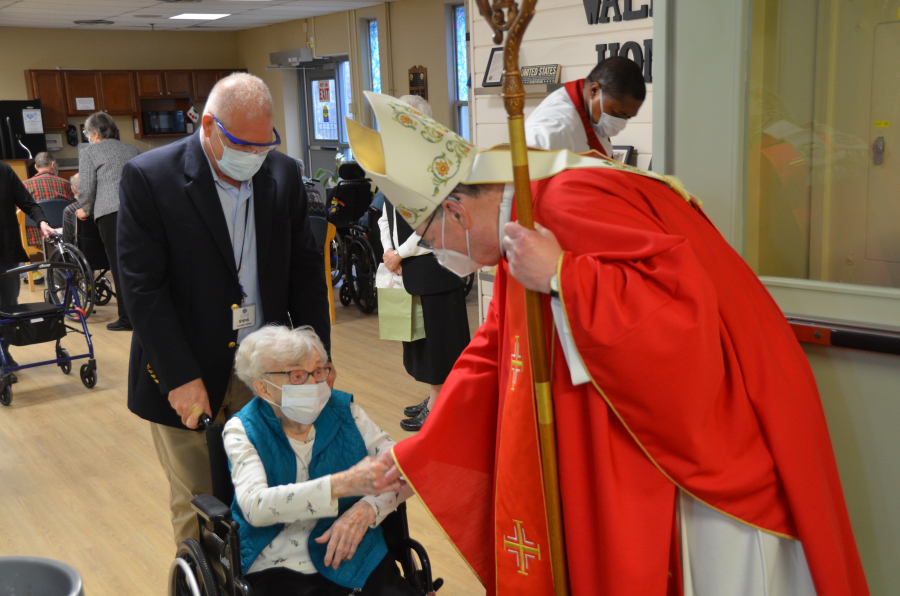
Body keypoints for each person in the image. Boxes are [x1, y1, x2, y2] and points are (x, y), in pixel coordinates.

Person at [347, 92, 869, 596]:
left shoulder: (567, 200)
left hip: (715, 430)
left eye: (430, 240)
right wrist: (418, 456)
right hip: (651, 439)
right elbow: (495, 351)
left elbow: (680, 312)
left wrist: (563, 274)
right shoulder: (521, 221)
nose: (438, 254)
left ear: (457, 212)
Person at [117, 73, 333, 550]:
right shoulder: (151, 178)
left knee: (270, 489)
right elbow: (142, 288)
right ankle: (200, 579)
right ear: (209, 126)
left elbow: (304, 274)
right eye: (242, 145)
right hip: (187, 368)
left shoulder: (282, 176)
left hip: (266, 367)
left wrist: (319, 357)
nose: (254, 156)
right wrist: (179, 376)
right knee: (200, 501)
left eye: (264, 145)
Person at [226, 325, 415, 596]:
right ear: (263, 388)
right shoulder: (243, 429)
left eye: (318, 371)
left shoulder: (346, 411)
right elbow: (256, 506)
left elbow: (407, 467)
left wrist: (367, 508)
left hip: (355, 549)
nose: (314, 385)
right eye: (297, 375)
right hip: (278, 564)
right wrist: (340, 485)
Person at [375, 96, 470, 432]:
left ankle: (440, 402)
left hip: (436, 269)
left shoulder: (437, 166)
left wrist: (400, 254)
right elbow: (385, 215)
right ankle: (435, 395)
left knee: (442, 341)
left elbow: (434, 222)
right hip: (409, 268)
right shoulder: (396, 164)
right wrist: (389, 251)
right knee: (423, 341)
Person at [76, 112, 140, 331]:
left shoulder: (90, 152)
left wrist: (85, 209)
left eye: (87, 133)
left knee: (119, 266)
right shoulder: (133, 149)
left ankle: (127, 318)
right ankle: (144, 314)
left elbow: (86, 188)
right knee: (139, 263)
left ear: (95, 133)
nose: (88, 137)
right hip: (137, 212)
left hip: (111, 214)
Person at [525, 56, 645, 158]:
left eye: (627, 117)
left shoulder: (591, 114)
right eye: (617, 114)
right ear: (594, 91)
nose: (621, 124)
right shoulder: (554, 128)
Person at [0, 161, 53, 377]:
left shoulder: (4, 170)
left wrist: (42, 222)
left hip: (6, 251)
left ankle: (3, 352)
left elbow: (28, 203)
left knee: (8, 306)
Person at [22, 152, 76, 247]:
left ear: (35, 167)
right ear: (53, 164)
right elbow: (75, 209)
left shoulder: (24, 186)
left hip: (35, 238)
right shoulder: (66, 184)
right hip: (62, 236)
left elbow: (19, 214)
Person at [61, 173, 80, 245]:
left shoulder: (70, 210)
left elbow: (67, 242)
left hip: (79, 250)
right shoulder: (105, 208)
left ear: (73, 189)